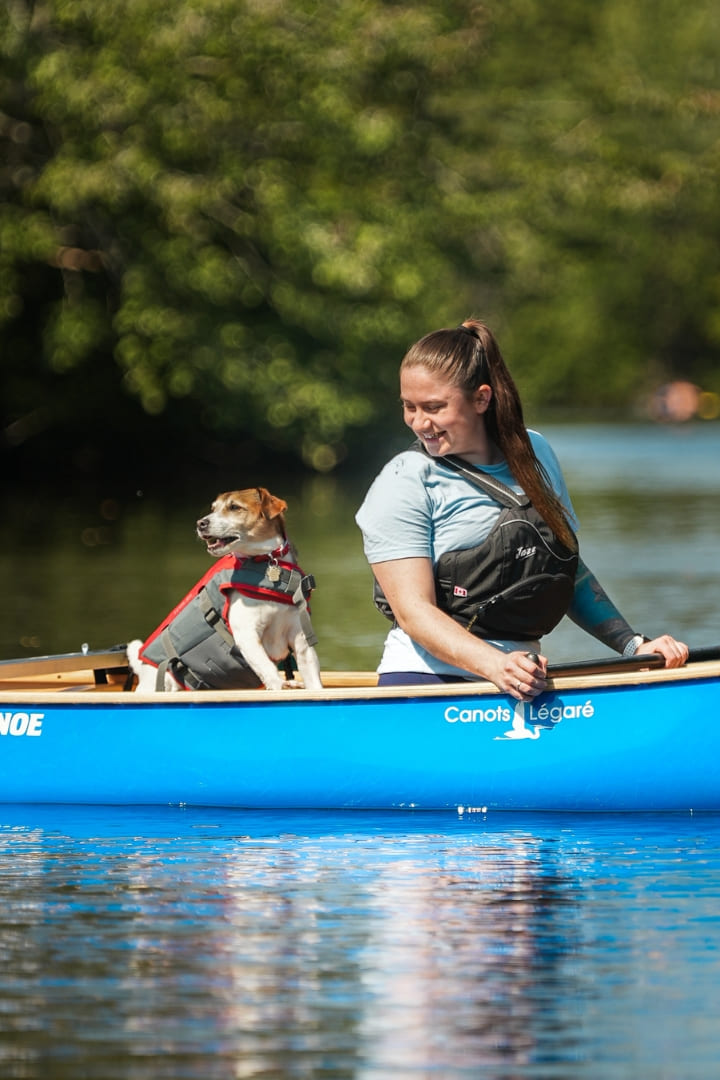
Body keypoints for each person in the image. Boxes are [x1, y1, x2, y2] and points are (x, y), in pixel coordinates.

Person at [355, 319, 689, 700]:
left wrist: (633, 646)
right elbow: (413, 612)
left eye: (434, 407)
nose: (419, 422)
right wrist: (497, 665)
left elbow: (564, 570)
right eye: (409, 407)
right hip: (428, 684)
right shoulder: (403, 480)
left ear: (481, 399)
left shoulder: (535, 454)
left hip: (523, 682)